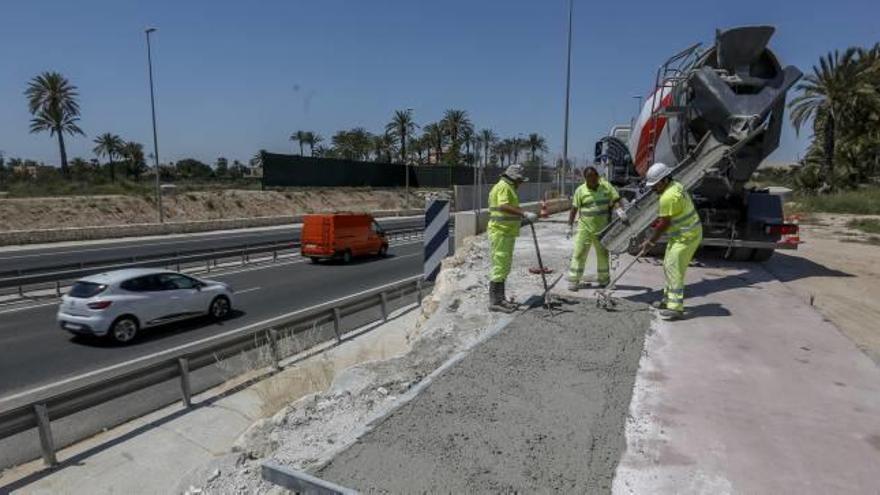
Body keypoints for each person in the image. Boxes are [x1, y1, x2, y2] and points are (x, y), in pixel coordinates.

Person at [640, 162, 702, 320]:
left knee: (674, 268)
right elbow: (667, 219)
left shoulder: (667, 196)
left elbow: (664, 224)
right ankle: (667, 301)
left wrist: (650, 242)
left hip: (687, 236)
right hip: (682, 234)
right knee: (668, 265)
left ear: (664, 180)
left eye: (655, 185)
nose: (653, 189)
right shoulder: (676, 185)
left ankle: (675, 307)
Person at [487, 163, 538, 313]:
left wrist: (521, 220)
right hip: (500, 233)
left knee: (504, 267)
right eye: (520, 180)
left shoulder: (507, 187)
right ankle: (495, 301)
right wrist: (524, 213)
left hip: (506, 232)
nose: (521, 183)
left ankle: (500, 299)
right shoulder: (504, 187)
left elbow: (505, 214)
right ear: (514, 178)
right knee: (499, 266)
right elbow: (503, 206)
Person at [567, 166, 622, 291]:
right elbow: (574, 209)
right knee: (579, 253)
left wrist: (619, 209)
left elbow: (616, 199)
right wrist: (569, 225)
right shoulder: (580, 190)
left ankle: (604, 280)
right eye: (589, 178)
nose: (592, 181)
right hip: (584, 229)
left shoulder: (606, 187)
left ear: (597, 176)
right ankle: (574, 280)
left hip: (602, 229)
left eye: (594, 177)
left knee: (603, 254)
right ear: (585, 179)